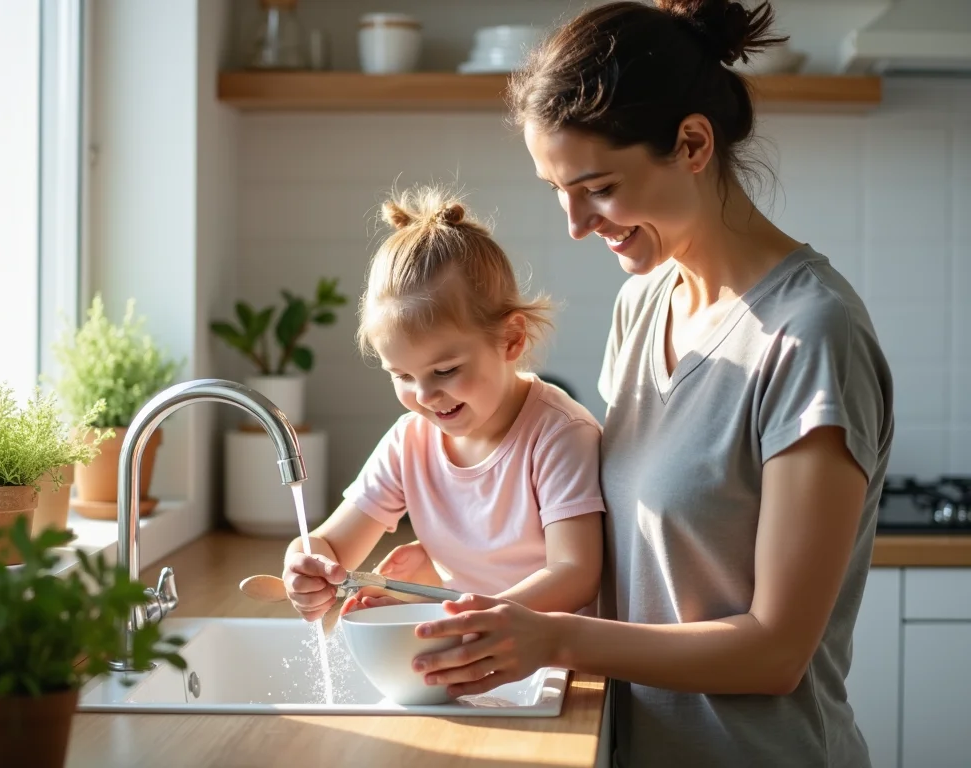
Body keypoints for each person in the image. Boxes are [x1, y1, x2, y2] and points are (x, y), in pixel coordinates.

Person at [407, 2, 895, 767]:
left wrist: (556, 639)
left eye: (597, 186)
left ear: (693, 144)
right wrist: (447, 570)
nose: (575, 222)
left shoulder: (811, 337)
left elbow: (776, 651)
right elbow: (624, 548)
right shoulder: (645, 302)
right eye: (557, 189)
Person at [281, 184, 605, 624]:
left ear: (511, 339)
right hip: (469, 646)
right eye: (402, 376)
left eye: (446, 370)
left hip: (551, 662)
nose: (425, 396)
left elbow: (575, 574)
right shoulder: (409, 441)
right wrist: (305, 564)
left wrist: (467, 615)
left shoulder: (559, 434)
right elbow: (331, 545)